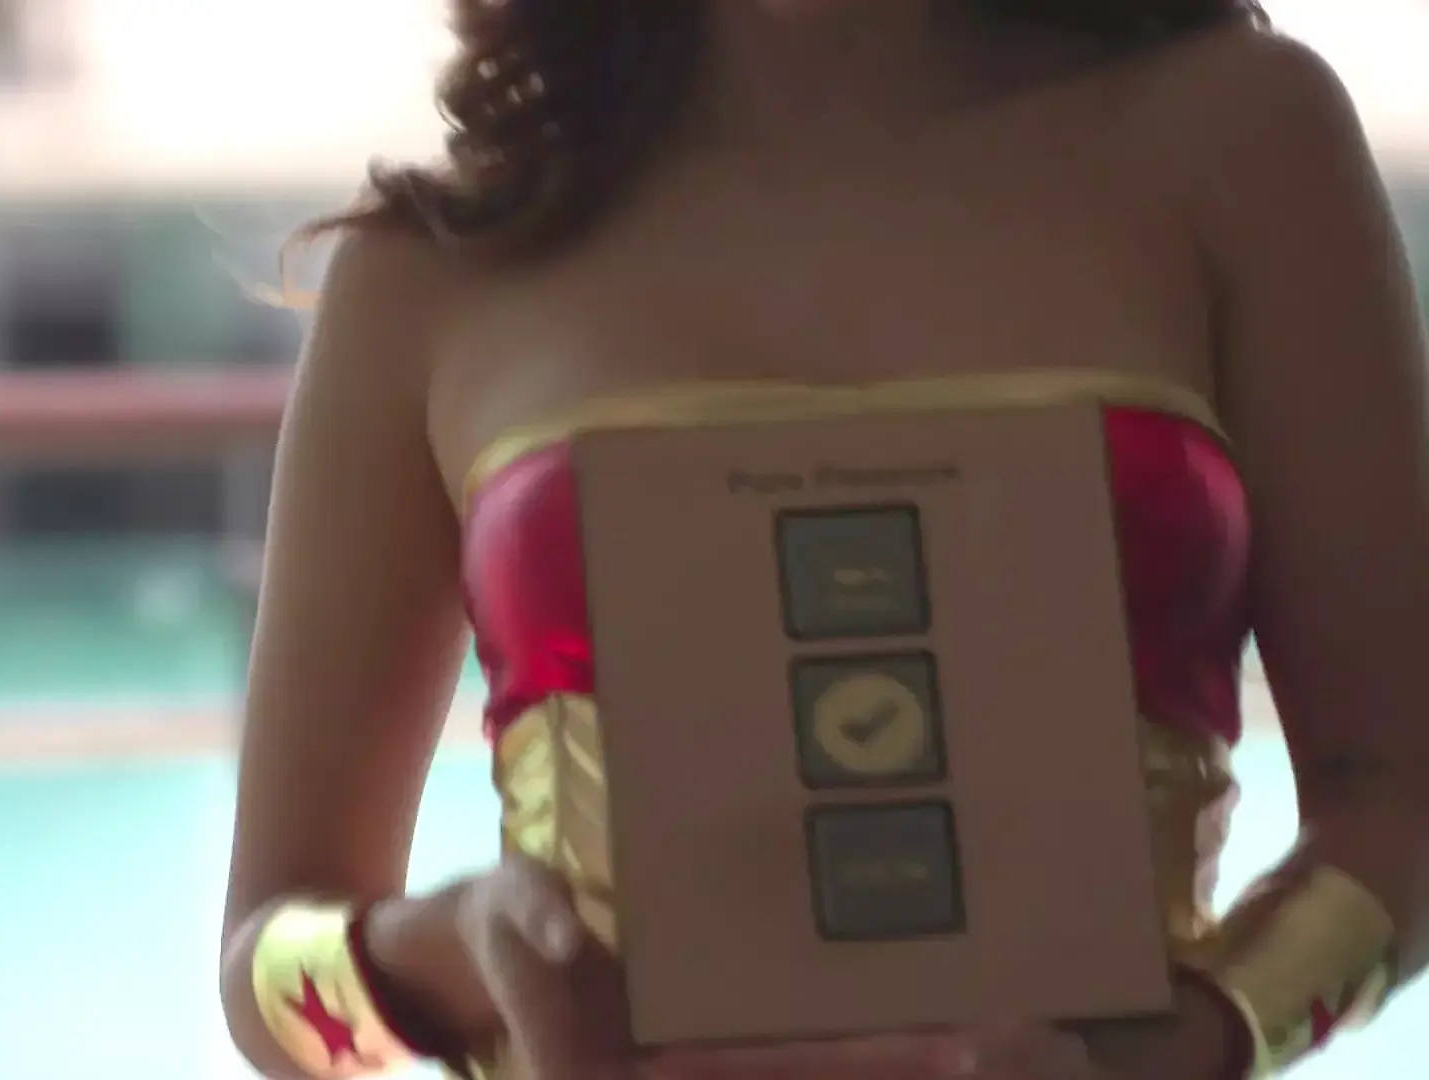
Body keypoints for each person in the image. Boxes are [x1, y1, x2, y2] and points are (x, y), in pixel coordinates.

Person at [219, 3, 1428, 1078]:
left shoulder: (1246, 141)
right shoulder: (426, 269)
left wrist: (1191, 1042)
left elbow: (1401, 807)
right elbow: (265, 968)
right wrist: (461, 950)